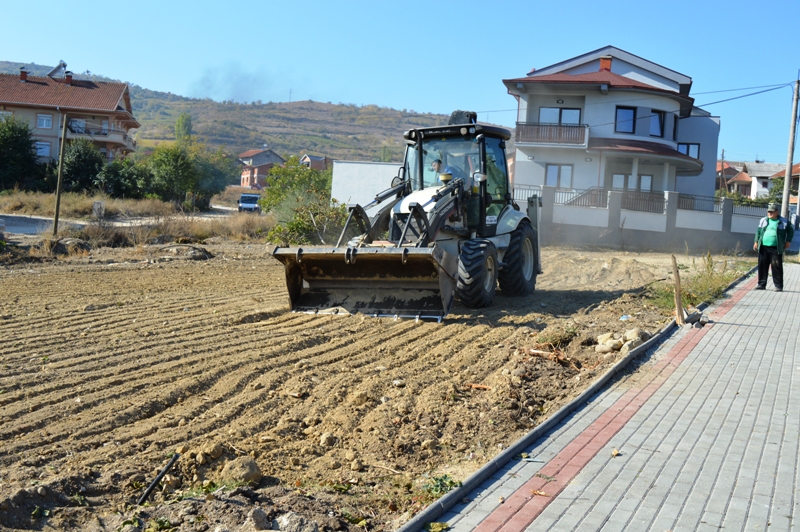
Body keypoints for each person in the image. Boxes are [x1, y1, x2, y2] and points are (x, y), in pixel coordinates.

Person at [753, 202, 794, 291]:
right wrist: (756, 242)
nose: (770, 214)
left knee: (776, 266)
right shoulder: (763, 220)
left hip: (776, 248)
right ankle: (761, 284)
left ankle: (778, 286)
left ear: (777, 212)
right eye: (769, 212)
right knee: (762, 266)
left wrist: (788, 241)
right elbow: (758, 231)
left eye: (772, 212)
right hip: (763, 247)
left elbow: (791, 231)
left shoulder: (784, 221)